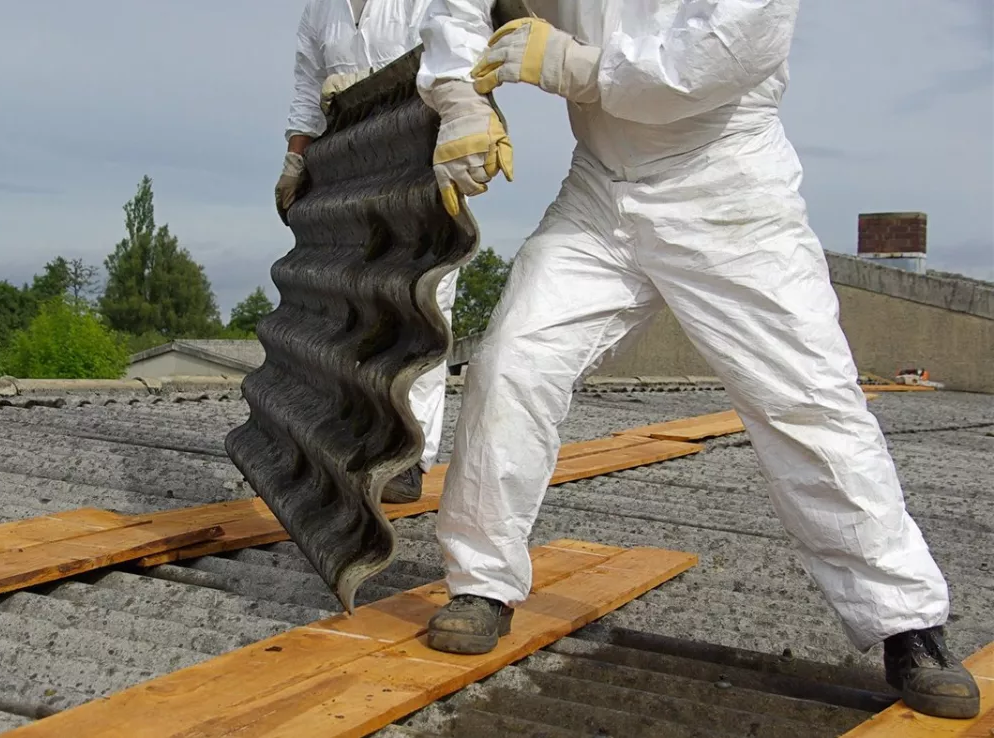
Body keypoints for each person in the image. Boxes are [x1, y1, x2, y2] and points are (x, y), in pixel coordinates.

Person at [414, 0, 980, 720]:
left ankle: (907, 624)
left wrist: (563, 62)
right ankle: (481, 583)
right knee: (510, 363)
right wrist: (463, 98)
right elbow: (459, 9)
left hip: (727, 187)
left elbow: (696, 68)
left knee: (807, 401)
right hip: (601, 189)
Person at [277, 0, 460, 504]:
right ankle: (356, 440)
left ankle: (410, 456)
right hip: (351, 173)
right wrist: (296, 159)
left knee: (423, 305)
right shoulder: (321, 11)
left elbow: (456, 62)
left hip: (422, 163)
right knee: (354, 305)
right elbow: (306, 89)